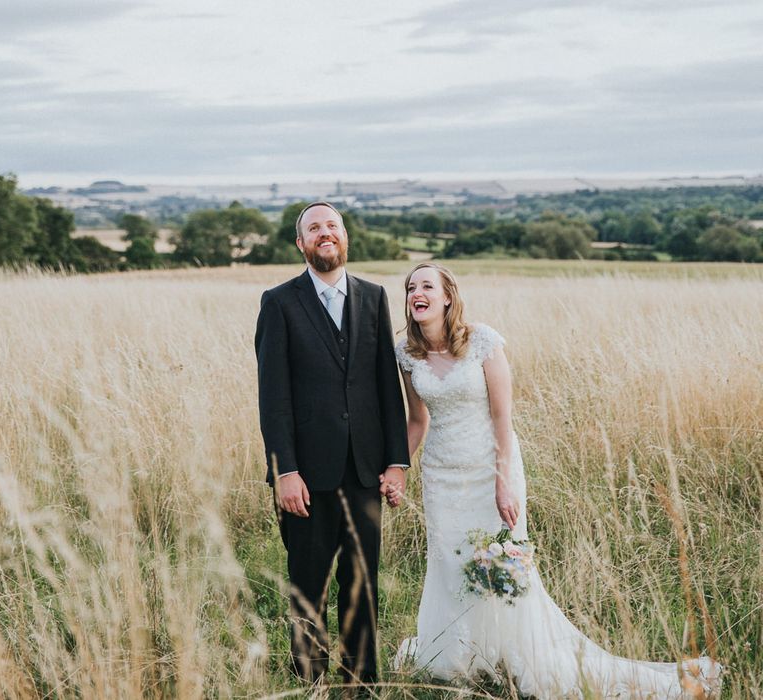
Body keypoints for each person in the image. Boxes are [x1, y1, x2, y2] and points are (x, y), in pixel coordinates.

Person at [387, 262, 722, 698]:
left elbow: (503, 417)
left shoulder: (482, 341)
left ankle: (518, 656)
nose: (418, 292)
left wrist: (503, 481)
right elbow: (418, 420)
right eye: (412, 287)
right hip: (441, 478)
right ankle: (462, 657)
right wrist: (398, 467)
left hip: (492, 474)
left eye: (427, 285)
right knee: (451, 566)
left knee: (499, 567)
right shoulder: (406, 354)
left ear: (447, 296)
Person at [254, 202, 409, 687]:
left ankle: (361, 681)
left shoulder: (373, 296)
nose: (325, 233)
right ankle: (310, 683)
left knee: (363, 584)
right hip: (305, 475)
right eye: (314, 228)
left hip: (365, 470)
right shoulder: (278, 302)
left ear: (345, 238)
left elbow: (387, 385)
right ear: (301, 244)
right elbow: (272, 397)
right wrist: (285, 471)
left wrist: (398, 461)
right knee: (308, 583)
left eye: (333, 226)